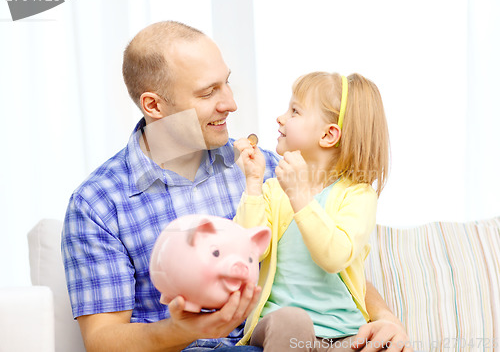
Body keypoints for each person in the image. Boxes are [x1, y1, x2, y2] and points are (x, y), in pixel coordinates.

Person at [61, 21, 411, 352]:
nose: (230, 103)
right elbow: (103, 339)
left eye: (226, 82)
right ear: (154, 105)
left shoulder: (270, 169)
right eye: (209, 91)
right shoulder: (98, 204)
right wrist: (183, 329)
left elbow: (326, 263)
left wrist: (385, 318)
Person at [233, 72, 410, 351]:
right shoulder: (273, 189)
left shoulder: (358, 195)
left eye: (295, 111)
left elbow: (335, 257)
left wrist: (300, 196)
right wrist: (253, 183)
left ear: (328, 135)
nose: (281, 118)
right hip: (283, 329)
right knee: (292, 321)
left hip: (344, 333)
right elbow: (245, 252)